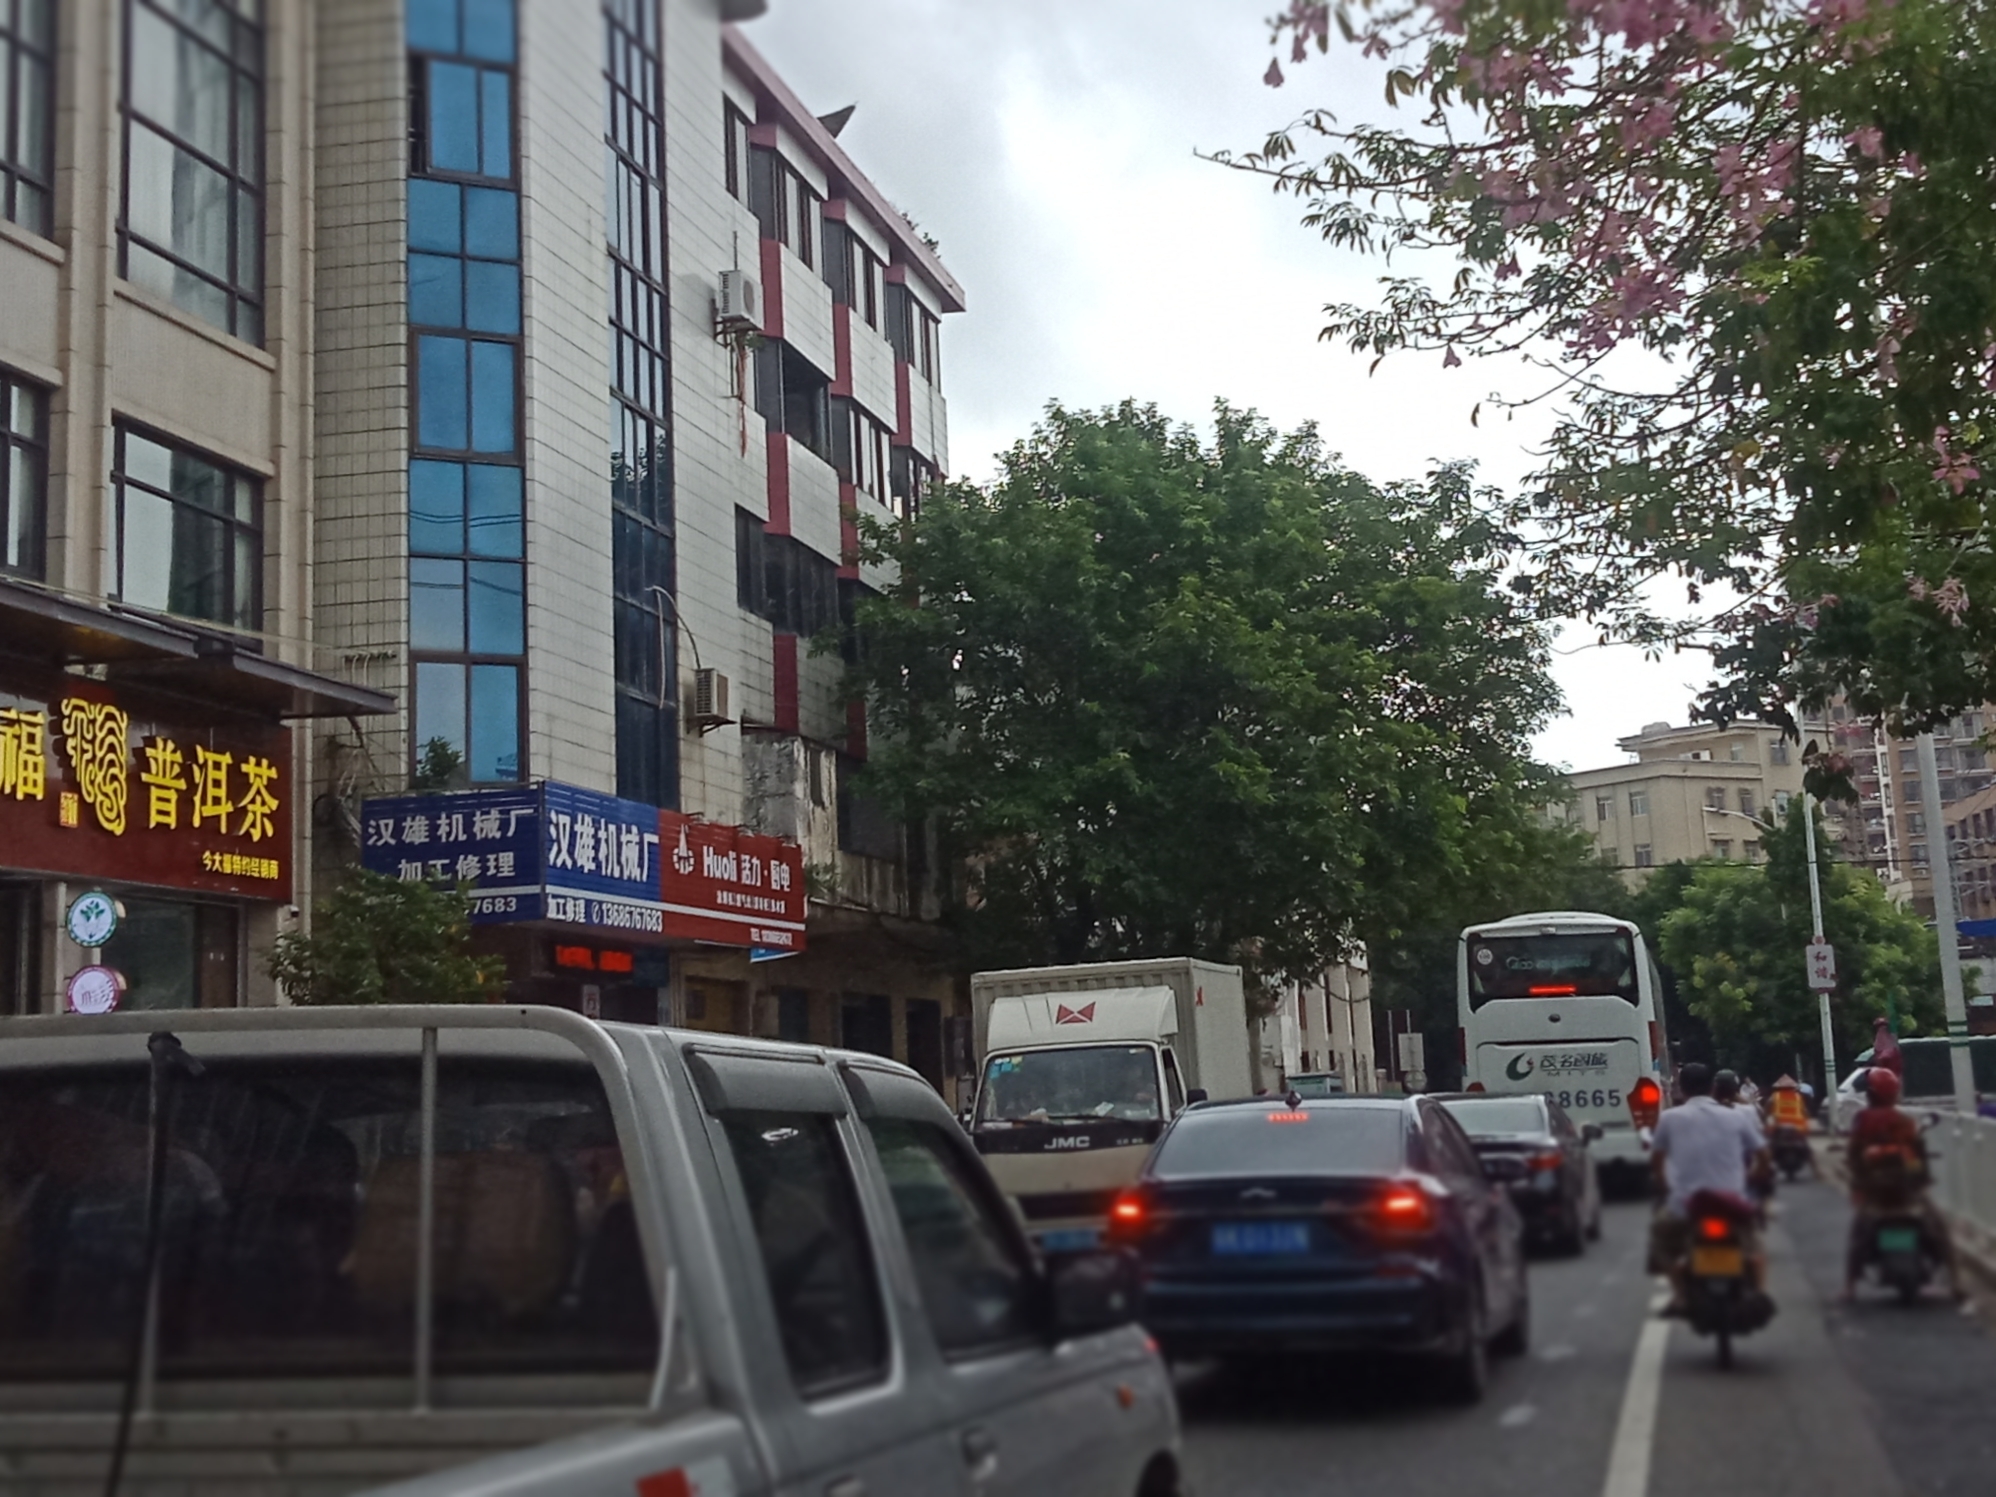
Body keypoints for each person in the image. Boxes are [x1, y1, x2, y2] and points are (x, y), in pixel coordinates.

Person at [1648, 1062, 1772, 1315]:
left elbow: (1657, 1162)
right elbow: (1763, 1156)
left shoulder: (1669, 1118)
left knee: (1661, 1240)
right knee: (1754, 1249)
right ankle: (1759, 1293)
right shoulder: (1737, 1116)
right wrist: (1752, 1177)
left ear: (1681, 1089)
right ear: (1711, 1087)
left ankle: (1680, 1296)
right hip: (1731, 1202)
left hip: (1685, 1206)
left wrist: (1665, 1186)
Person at [1842, 1067, 1964, 1302]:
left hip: (1875, 1191)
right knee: (1940, 1230)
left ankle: (1850, 1287)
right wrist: (1921, 1179)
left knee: (1858, 1234)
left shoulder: (1863, 1120)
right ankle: (1957, 1282)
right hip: (1907, 1190)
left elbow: (1855, 1153)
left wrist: (1859, 1177)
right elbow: (1918, 1155)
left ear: (1870, 1094)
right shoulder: (1904, 1121)